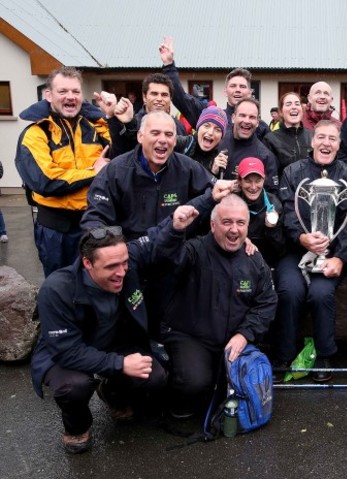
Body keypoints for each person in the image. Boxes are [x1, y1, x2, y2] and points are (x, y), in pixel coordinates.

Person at [30, 221, 176, 453]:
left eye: (125, 263)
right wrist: (119, 363)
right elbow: (67, 351)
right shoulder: (56, 290)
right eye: (111, 267)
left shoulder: (125, 264)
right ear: (88, 263)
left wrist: (204, 205)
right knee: (73, 387)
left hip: (113, 342)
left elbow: (159, 235)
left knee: (153, 375)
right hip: (66, 352)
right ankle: (76, 427)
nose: (121, 272)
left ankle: (112, 393)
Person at [157, 195, 277, 418]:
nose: (234, 230)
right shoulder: (193, 251)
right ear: (213, 225)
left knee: (244, 383)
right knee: (194, 382)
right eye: (227, 222)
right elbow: (167, 258)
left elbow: (267, 302)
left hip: (233, 340)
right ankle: (172, 397)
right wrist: (175, 231)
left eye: (240, 223)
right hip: (191, 336)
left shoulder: (254, 258)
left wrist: (244, 334)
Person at [274, 120, 347, 382]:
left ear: (339, 144)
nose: (326, 143)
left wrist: (340, 257)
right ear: (312, 141)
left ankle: (325, 354)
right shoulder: (292, 172)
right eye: (321, 137)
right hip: (295, 251)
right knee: (290, 291)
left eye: (332, 139)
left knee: (321, 292)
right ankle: (284, 354)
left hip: (332, 252)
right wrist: (301, 237)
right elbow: (287, 212)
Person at [15, 66, 112, 277]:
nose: (70, 97)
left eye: (75, 92)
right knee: (61, 288)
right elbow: (46, 181)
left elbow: (122, 158)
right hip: (55, 230)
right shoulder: (35, 133)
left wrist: (113, 116)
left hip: (93, 222)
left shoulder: (96, 127)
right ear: (48, 95)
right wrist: (93, 172)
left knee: (96, 285)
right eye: (63, 91)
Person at [81, 111, 217, 241]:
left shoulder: (187, 167)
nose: (162, 140)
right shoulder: (115, 171)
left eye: (169, 134)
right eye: (155, 133)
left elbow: (216, 192)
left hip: (174, 254)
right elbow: (95, 218)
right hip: (130, 257)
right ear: (140, 136)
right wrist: (113, 247)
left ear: (175, 140)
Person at [216, 157, 285, 269]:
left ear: (264, 180)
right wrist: (242, 239)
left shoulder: (274, 205)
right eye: (248, 181)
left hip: (265, 262)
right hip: (233, 259)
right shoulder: (229, 203)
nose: (253, 187)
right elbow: (216, 237)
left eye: (258, 181)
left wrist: (272, 229)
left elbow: (281, 250)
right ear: (239, 181)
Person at [216, 98, 280, 195]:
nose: (247, 121)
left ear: (257, 122)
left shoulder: (266, 157)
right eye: (242, 115)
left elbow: (272, 196)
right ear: (233, 118)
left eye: (252, 117)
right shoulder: (217, 141)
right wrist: (212, 170)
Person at [264, 92, 314, 175]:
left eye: (297, 104)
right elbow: (270, 174)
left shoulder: (313, 136)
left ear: (302, 110)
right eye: (288, 104)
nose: (294, 107)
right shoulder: (270, 140)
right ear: (281, 112)